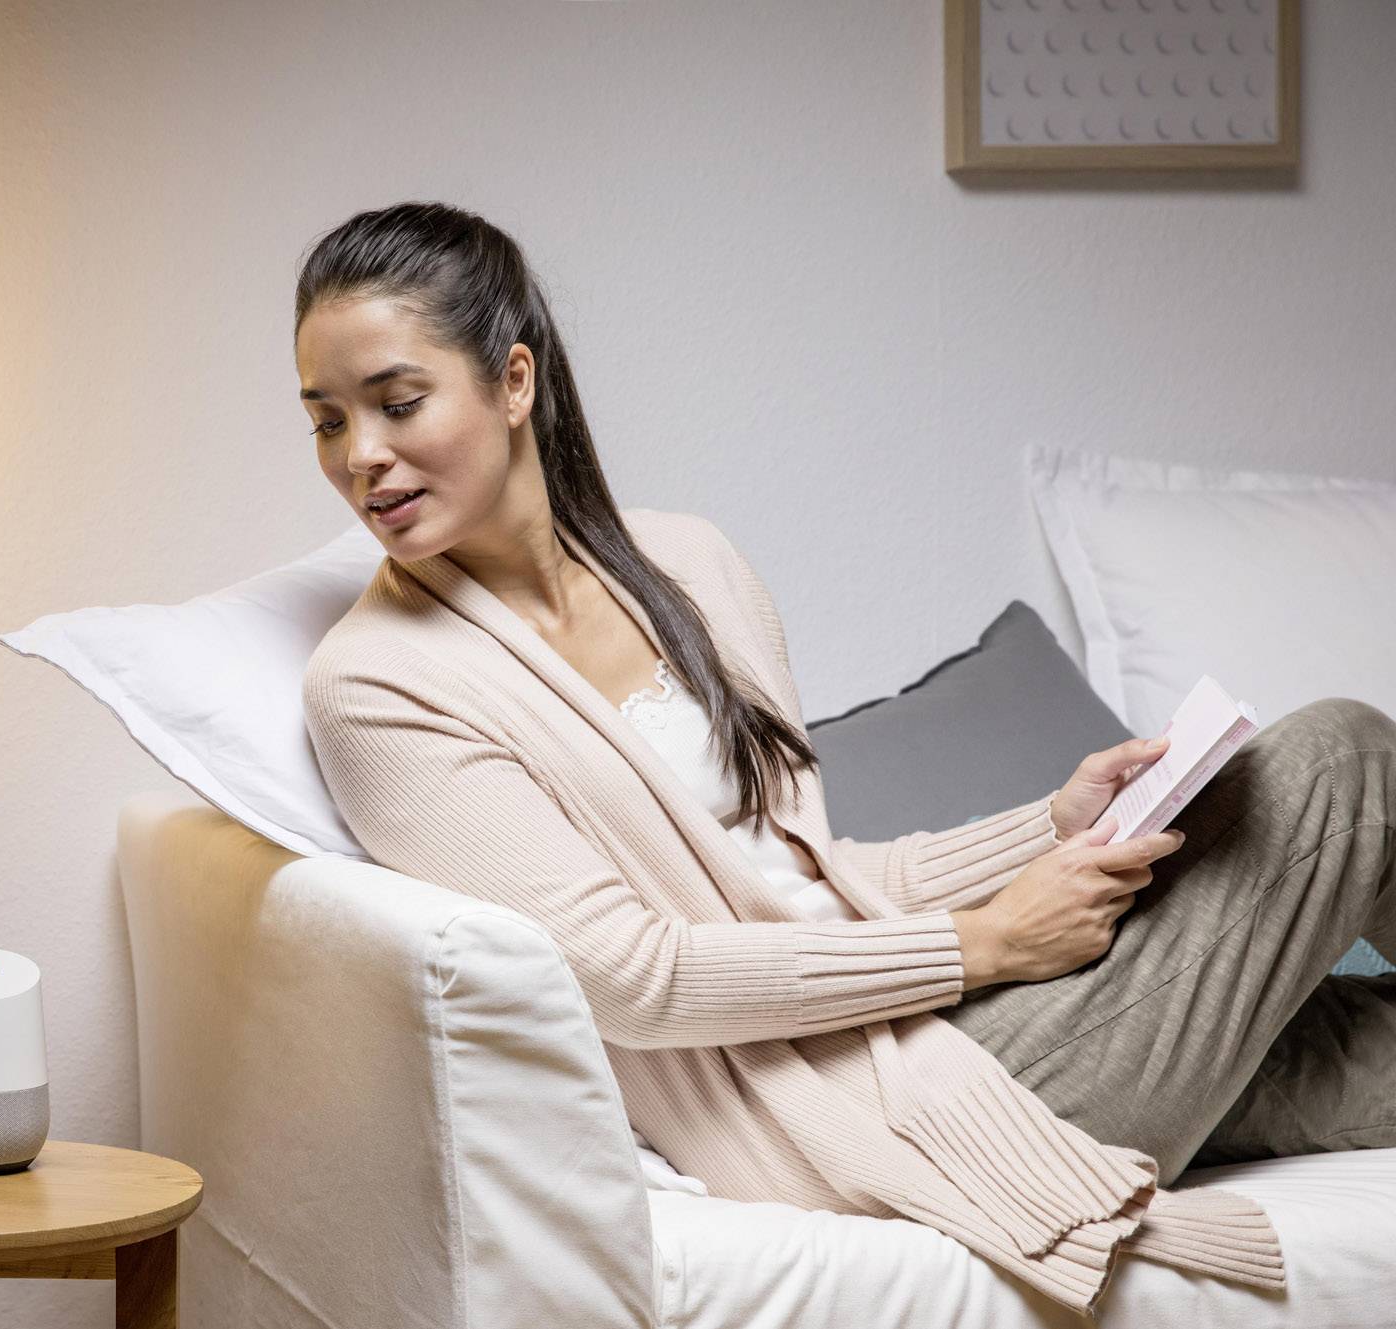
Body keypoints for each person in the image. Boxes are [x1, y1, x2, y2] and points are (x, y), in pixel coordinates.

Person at [295, 200, 1396, 1318]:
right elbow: (631, 979)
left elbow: (820, 881)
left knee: (1360, 1049)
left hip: (916, 1030)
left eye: (395, 403)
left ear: (513, 382)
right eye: (326, 423)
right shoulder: (378, 687)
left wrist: (1048, 828)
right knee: (1336, 764)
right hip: (831, 1110)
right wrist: (984, 946)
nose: (361, 458)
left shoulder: (690, 563)